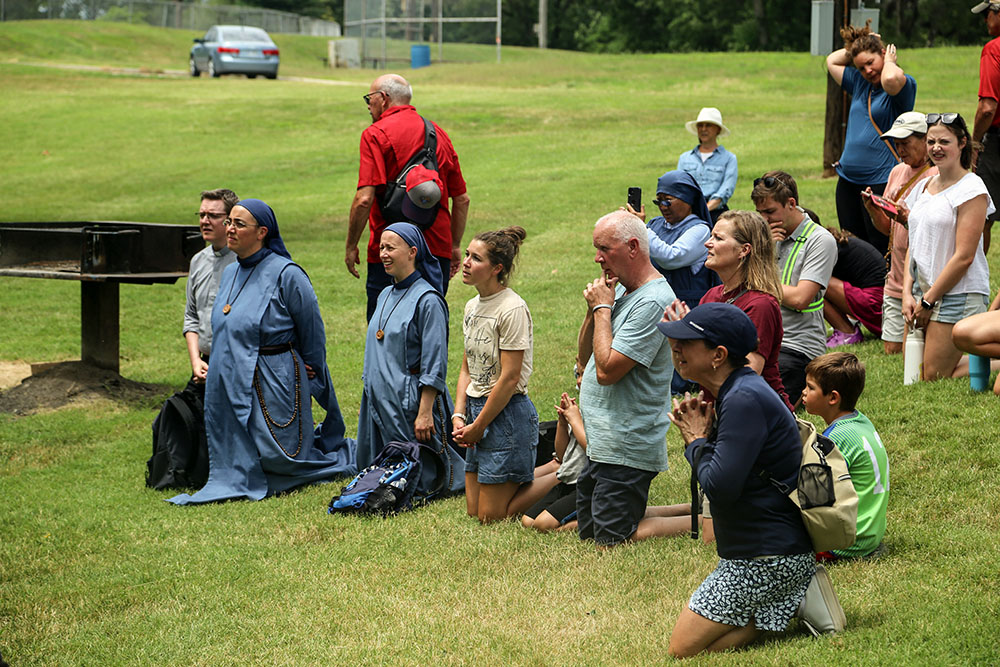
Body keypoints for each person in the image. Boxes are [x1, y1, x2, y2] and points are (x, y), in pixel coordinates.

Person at [170, 199, 356, 504]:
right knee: (245, 452)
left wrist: (308, 368)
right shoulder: (230, 272)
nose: (229, 229)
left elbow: (312, 332)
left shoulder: (288, 274)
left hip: (276, 375)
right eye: (228, 222)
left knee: (280, 460)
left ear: (262, 233)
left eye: (238, 224)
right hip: (232, 375)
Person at [662, 303, 814, 658]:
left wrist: (696, 441)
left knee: (681, 650)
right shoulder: (738, 391)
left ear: (718, 355)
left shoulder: (744, 399)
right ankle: (776, 608)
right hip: (766, 551)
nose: (676, 348)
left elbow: (720, 488)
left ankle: (778, 609)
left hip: (766, 559)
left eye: (686, 341)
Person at [576, 210, 675, 548]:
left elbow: (606, 371)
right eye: (596, 247)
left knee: (612, 541)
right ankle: (696, 512)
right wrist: (595, 309)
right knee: (590, 535)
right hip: (602, 445)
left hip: (625, 448)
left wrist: (604, 310)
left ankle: (698, 521)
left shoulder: (654, 301)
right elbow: (586, 356)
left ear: (633, 247)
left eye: (605, 248)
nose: (597, 257)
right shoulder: (619, 290)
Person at [346, 73, 470, 321]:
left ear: (383, 98)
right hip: (436, 249)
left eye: (369, 99)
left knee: (385, 331)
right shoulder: (438, 134)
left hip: (390, 251)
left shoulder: (374, 133)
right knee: (429, 330)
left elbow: (364, 199)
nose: (368, 105)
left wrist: (351, 246)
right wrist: (454, 245)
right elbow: (462, 198)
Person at [452, 227, 547, 523]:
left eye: (476, 258)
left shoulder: (512, 308)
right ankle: (556, 467)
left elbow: (509, 377)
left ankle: (565, 471)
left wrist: (480, 425)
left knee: (491, 517)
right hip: (477, 410)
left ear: (497, 269)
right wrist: (459, 415)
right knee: (473, 510)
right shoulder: (471, 306)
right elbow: (467, 366)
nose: (466, 262)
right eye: (467, 254)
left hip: (506, 414)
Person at [356, 222, 462, 474]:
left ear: (412, 252)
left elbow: (435, 363)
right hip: (380, 400)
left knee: (417, 474)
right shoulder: (383, 295)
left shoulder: (429, 301)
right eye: (381, 247)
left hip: (410, 405)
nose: (383, 254)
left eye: (390, 248)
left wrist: (425, 412)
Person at [666, 209, 793, 411]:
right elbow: (687, 371)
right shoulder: (711, 296)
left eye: (718, 238)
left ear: (744, 250)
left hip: (759, 415)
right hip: (722, 411)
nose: (708, 243)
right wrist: (678, 339)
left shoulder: (760, 305)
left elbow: (746, 378)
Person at [902, 113, 993, 381]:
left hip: (957, 293)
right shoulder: (923, 186)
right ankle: (978, 351)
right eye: (931, 142)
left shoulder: (971, 188)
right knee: (914, 370)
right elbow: (914, 243)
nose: (936, 148)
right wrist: (908, 293)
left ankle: (993, 357)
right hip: (923, 290)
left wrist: (928, 301)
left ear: (962, 143)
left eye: (944, 141)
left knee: (932, 375)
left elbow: (964, 256)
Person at [826, 22, 916, 255]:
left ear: (883, 55)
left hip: (880, 181)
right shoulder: (859, 83)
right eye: (861, 66)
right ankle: (861, 291)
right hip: (847, 181)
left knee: (879, 246)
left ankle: (881, 291)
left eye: (870, 63)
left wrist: (889, 63)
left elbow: (890, 80)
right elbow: (831, 61)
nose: (867, 71)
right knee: (851, 245)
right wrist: (857, 47)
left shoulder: (902, 85)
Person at [752, 171, 838, 406]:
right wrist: (763, 249)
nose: (764, 219)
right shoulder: (765, 236)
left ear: (791, 203)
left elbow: (801, 298)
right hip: (757, 337)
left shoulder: (820, 240)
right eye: (760, 213)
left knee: (765, 402)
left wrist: (757, 280)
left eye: (770, 212)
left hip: (796, 346)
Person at [862, 111, 937, 355]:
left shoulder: (937, 176)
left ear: (926, 139)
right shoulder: (896, 172)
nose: (900, 150)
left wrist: (907, 218)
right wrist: (875, 210)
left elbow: (935, 231)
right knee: (892, 349)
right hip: (895, 275)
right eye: (896, 144)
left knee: (915, 349)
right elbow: (887, 228)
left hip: (923, 277)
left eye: (905, 143)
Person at [802, 352, 889, 561]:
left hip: (846, 542)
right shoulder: (860, 421)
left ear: (833, 397)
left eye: (810, 388)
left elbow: (813, 493)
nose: (803, 393)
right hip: (870, 534)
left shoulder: (836, 439)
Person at [628, 170, 716, 308]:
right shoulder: (654, 224)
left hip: (685, 310)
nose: (663, 206)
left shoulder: (700, 230)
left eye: (668, 201)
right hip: (653, 304)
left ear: (687, 199)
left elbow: (671, 258)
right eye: (659, 201)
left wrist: (641, 228)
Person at [183, 188, 238, 392]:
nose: (205, 221)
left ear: (230, 221)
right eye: (202, 215)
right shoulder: (198, 261)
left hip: (237, 367)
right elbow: (191, 317)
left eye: (214, 216)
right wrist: (196, 361)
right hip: (205, 365)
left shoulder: (245, 262)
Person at [521, 378, 588, 534]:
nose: (578, 380)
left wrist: (575, 421)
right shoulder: (579, 411)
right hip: (567, 480)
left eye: (584, 374)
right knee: (528, 521)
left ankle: (599, 519)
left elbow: (594, 452)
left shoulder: (600, 415)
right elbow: (561, 454)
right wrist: (563, 423)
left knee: (543, 525)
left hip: (586, 484)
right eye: (577, 374)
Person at [822, 227, 886, 347]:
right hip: (883, 304)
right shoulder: (838, 243)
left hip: (876, 305)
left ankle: (847, 332)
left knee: (815, 281)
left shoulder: (827, 247)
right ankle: (848, 325)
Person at [972, 1, 1000, 253]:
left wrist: (974, 142)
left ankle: (974, 284)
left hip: (997, 143)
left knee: (982, 215)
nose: (985, 20)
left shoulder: (994, 49)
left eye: (988, 14)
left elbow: (987, 108)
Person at [677, 107, 738, 224]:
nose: (703, 129)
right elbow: (680, 187)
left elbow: (726, 190)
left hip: (715, 214)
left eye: (708, 125)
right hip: (688, 212)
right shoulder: (685, 158)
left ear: (718, 130)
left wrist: (704, 210)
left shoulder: (729, 158)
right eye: (700, 125)